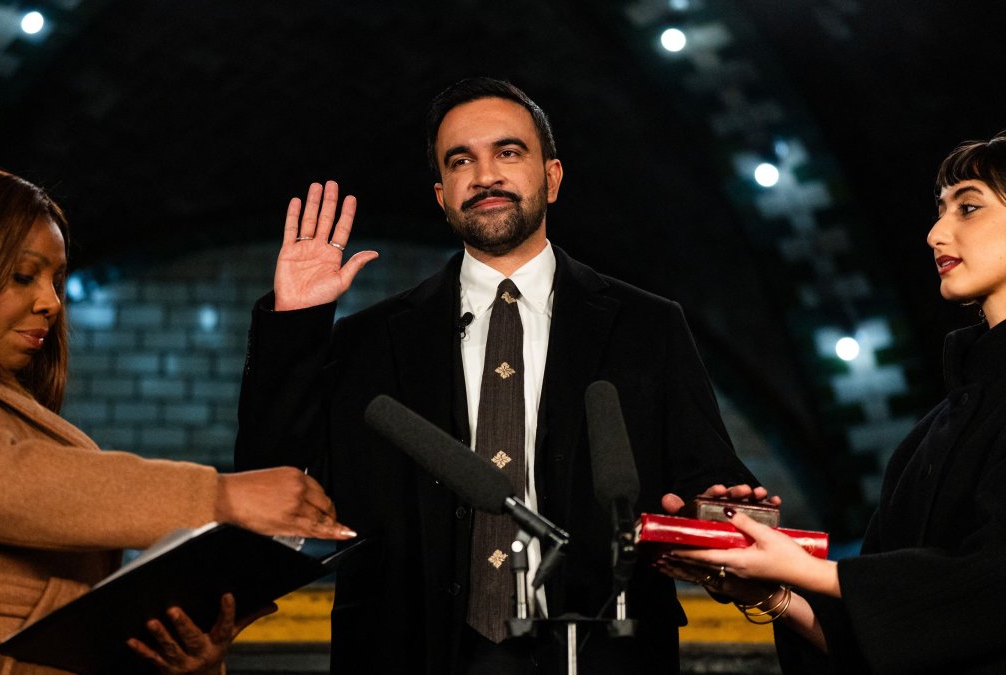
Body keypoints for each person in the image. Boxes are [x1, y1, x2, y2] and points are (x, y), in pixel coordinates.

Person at [235, 76, 770, 673]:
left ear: (553, 177)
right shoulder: (367, 341)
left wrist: (715, 510)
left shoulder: (649, 326)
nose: (484, 175)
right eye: (460, 161)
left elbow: (706, 481)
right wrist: (295, 322)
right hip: (407, 652)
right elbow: (270, 476)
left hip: (600, 650)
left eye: (507, 153)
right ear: (441, 195)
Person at [0, 163, 354, 674]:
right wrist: (221, 497)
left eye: (57, 280)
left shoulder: (22, 415)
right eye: (23, 276)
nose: (51, 303)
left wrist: (180, 658)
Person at [666, 134, 1006, 672]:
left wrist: (811, 571)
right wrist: (767, 585)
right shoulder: (932, 433)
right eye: (940, 211)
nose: (935, 233)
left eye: (968, 207)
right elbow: (885, 644)